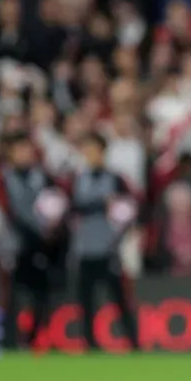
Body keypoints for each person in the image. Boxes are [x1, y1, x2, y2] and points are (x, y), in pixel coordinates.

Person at [0, 132, 64, 351]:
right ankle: (10, 340)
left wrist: (51, 230)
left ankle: (33, 338)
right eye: (20, 150)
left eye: (27, 150)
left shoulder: (42, 177)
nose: (24, 154)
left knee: (40, 293)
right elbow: (7, 210)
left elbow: (56, 202)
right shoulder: (3, 178)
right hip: (15, 244)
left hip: (41, 244)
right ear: (11, 154)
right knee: (12, 294)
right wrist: (35, 232)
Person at [70, 132, 140, 352]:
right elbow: (72, 206)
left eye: (94, 150)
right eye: (87, 150)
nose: (90, 155)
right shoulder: (77, 179)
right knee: (86, 301)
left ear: (103, 152)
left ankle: (133, 342)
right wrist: (102, 203)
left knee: (120, 299)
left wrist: (119, 231)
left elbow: (131, 208)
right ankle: (89, 343)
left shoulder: (116, 179)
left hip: (109, 248)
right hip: (85, 249)